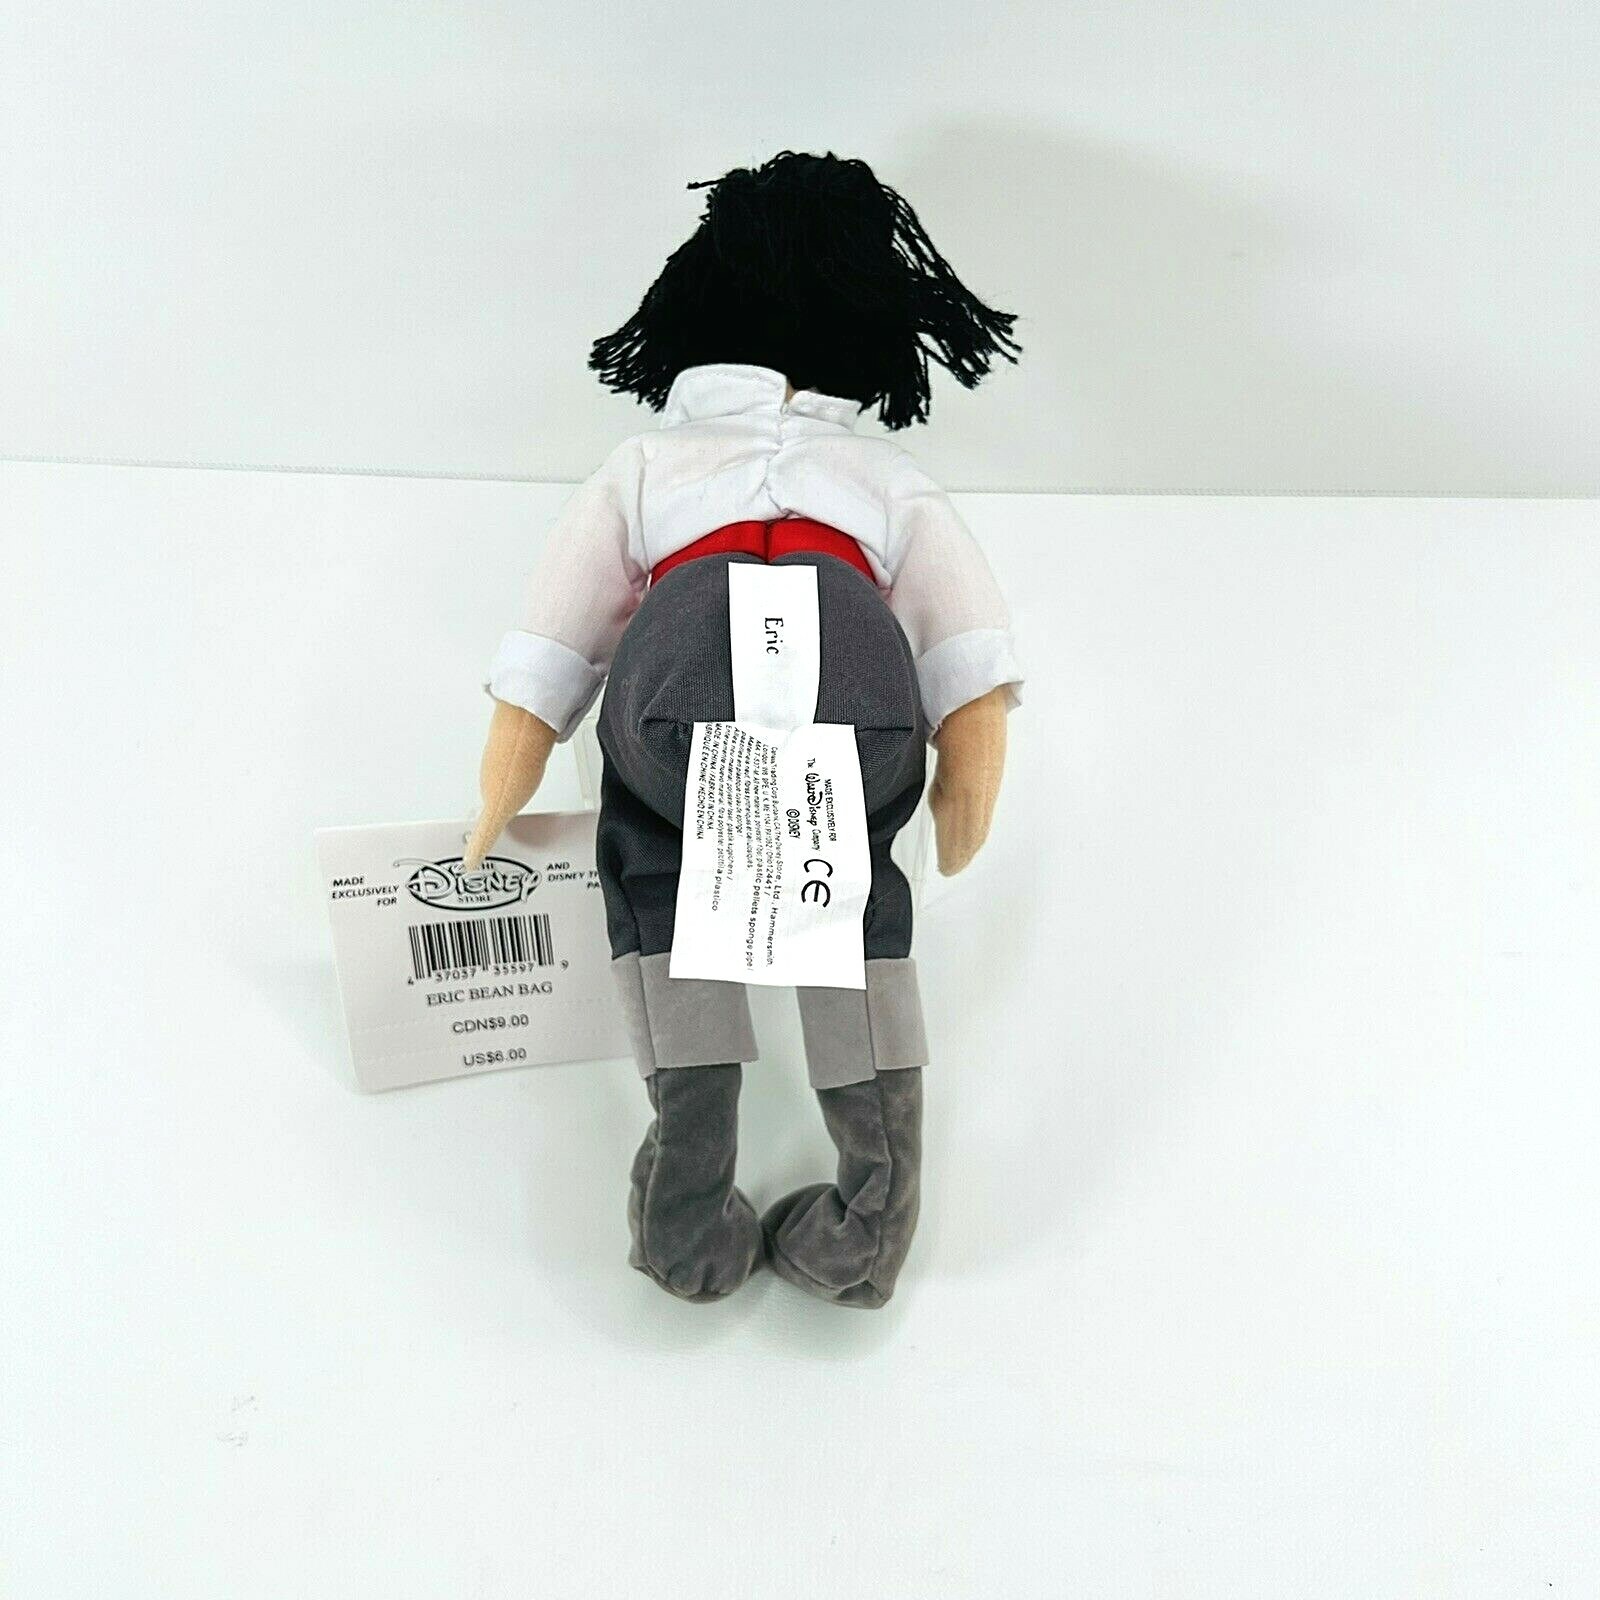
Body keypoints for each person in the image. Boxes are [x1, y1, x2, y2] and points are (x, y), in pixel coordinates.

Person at [464, 151, 1023, 1306]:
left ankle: (685, 1217)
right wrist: (966, 779)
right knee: (858, 911)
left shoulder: (645, 464)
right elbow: (962, 635)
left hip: (671, 694)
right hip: (856, 706)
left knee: (662, 887)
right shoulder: (885, 475)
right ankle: (868, 1223)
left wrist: (507, 774)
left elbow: (561, 621)